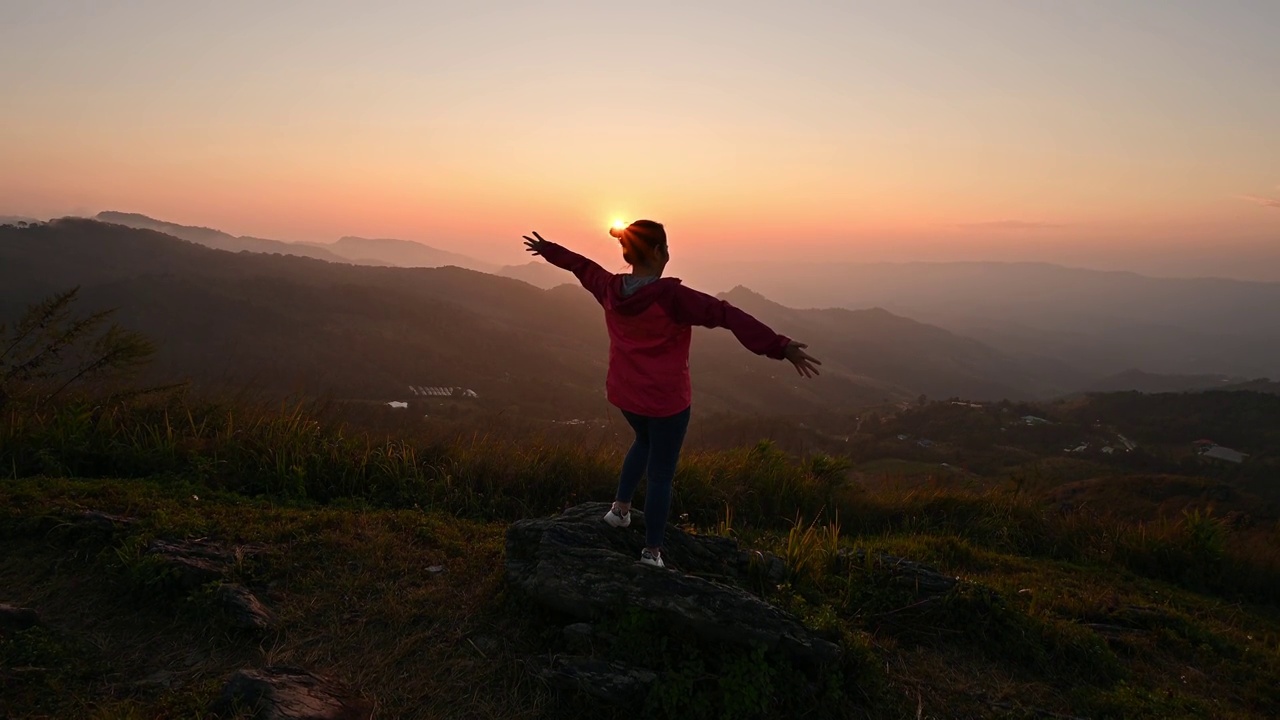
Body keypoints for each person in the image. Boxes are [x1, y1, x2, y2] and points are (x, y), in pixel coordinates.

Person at [523, 220, 821, 568]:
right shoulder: (673, 298)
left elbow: (581, 265)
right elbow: (726, 314)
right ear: (657, 252)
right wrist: (779, 346)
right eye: (666, 247)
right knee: (662, 474)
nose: (670, 253)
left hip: (626, 395)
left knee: (643, 442)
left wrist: (547, 250)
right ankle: (652, 552)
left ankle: (619, 510)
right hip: (666, 403)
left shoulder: (609, 288)